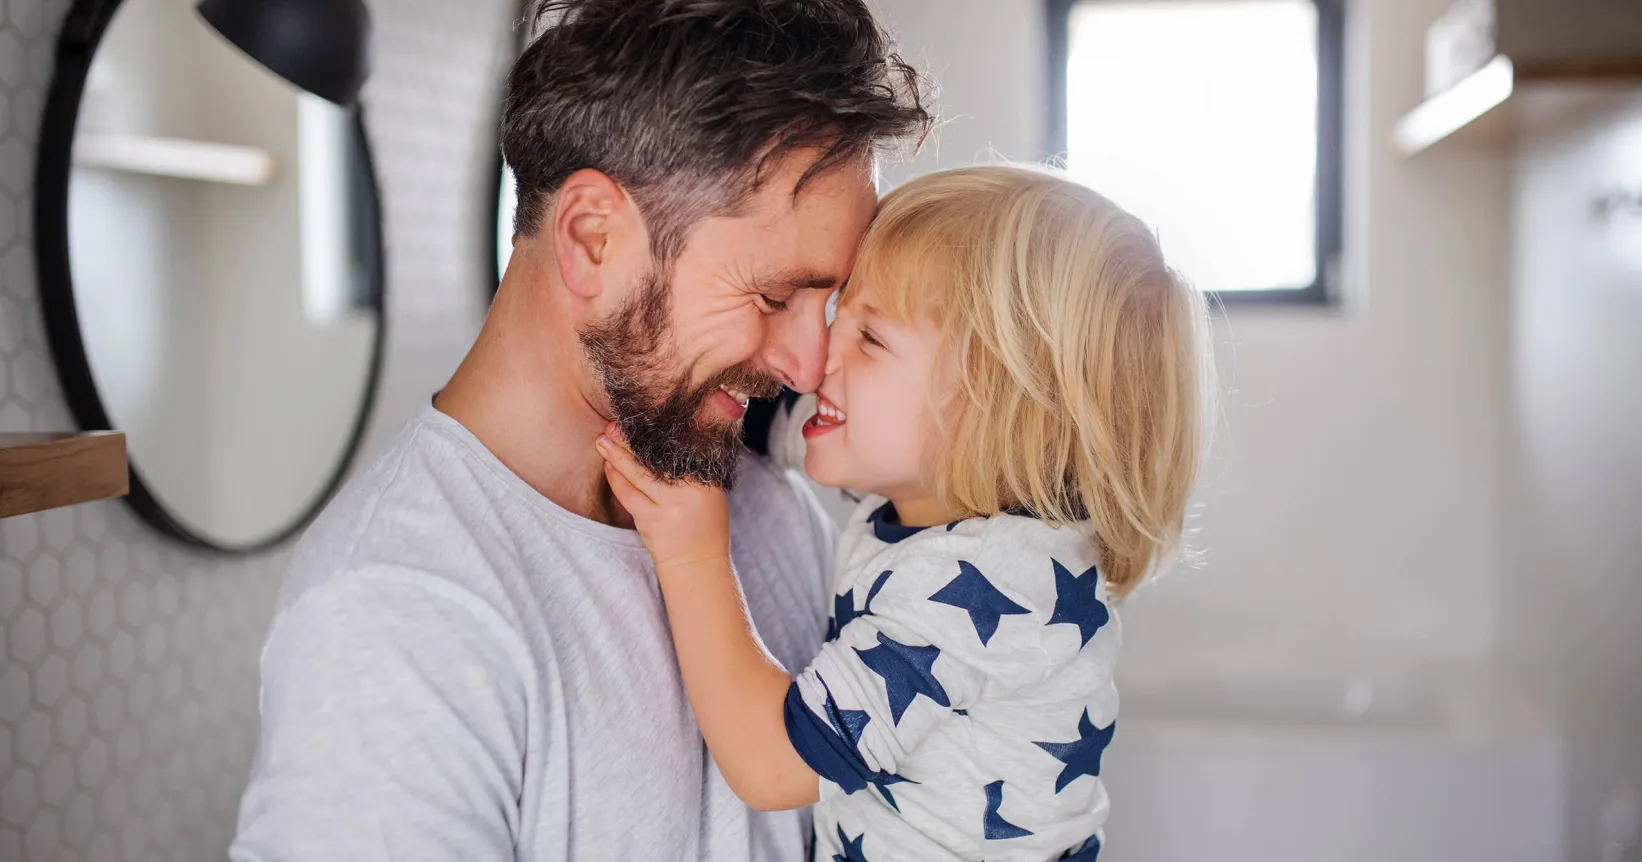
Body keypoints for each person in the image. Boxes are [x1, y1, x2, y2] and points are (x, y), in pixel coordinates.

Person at [229, 1, 930, 860]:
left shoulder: (759, 492)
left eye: (826, 304)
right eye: (774, 297)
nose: (807, 364)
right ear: (592, 239)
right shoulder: (396, 615)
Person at [597, 165, 1213, 861]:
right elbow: (788, 421)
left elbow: (772, 765)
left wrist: (693, 556)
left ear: (995, 413)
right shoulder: (941, 494)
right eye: (841, 316)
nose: (818, 354)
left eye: (872, 339)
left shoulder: (984, 587)